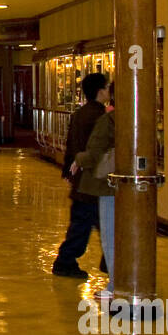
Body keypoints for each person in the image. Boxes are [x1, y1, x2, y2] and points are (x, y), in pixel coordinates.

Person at [51, 72, 109, 278]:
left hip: (82, 181)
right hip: (93, 182)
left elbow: (71, 144)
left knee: (82, 224)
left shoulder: (81, 113)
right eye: (107, 87)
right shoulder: (100, 116)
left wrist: (68, 170)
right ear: (100, 91)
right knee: (97, 225)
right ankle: (69, 261)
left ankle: (105, 262)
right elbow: (96, 151)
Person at [75, 84, 116, 299]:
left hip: (106, 185)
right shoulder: (124, 120)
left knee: (109, 234)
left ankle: (116, 284)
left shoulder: (107, 120)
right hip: (121, 186)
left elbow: (94, 153)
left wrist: (79, 160)